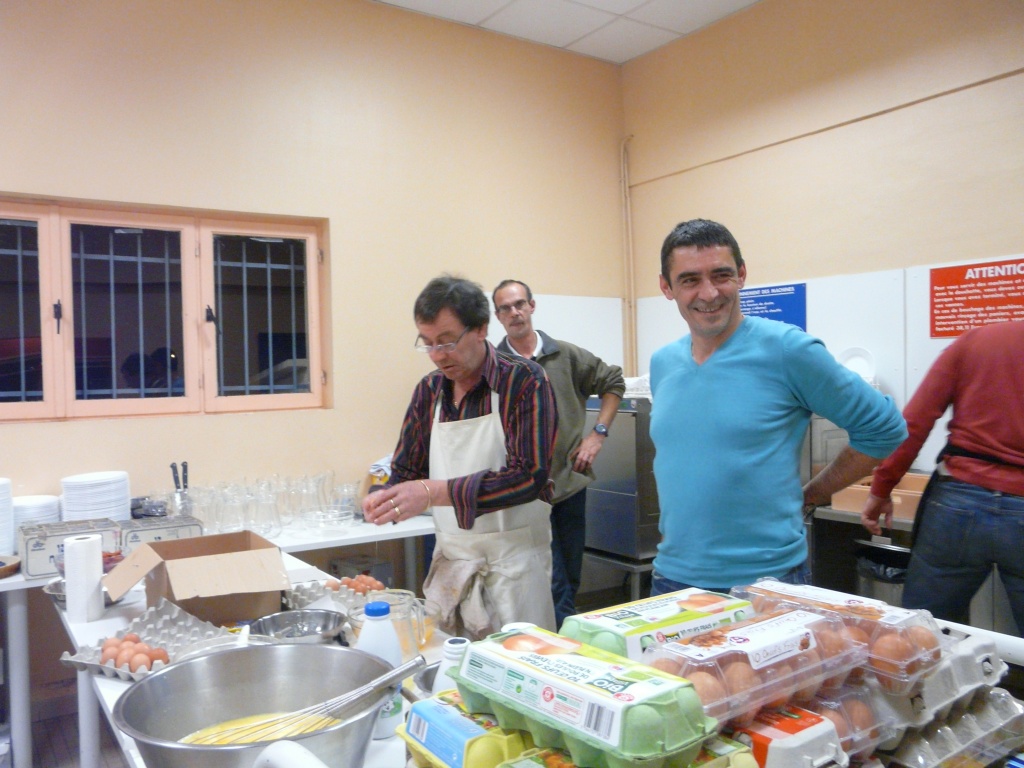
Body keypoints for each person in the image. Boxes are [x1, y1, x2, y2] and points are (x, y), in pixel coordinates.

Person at [649, 218, 907, 596]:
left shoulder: (788, 350)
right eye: (690, 280)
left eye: (721, 275)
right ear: (666, 287)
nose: (709, 293)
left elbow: (885, 429)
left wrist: (812, 494)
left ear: (741, 274)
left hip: (765, 582)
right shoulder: (663, 363)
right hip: (672, 578)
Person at [362, 275, 559, 637]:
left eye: (447, 341)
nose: (438, 355)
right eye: (428, 344)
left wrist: (434, 492)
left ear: (481, 328)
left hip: (514, 570)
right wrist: (385, 497)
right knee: (451, 665)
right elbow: (407, 470)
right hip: (453, 568)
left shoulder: (524, 381)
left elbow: (528, 476)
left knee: (518, 663)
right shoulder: (429, 391)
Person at [860, 320, 1024, 633]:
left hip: (958, 505)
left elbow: (915, 422)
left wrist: (881, 488)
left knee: (924, 634)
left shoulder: (977, 341)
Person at [492, 279, 625, 628]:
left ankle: (564, 636)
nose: (514, 312)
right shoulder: (493, 366)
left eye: (519, 304)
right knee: (550, 581)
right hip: (523, 493)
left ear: (532, 306)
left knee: (570, 574)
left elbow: (613, 382)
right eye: (505, 308)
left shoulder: (565, 356)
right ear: (498, 316)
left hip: (568, 484)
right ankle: (562, 640)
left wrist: (597, 435)